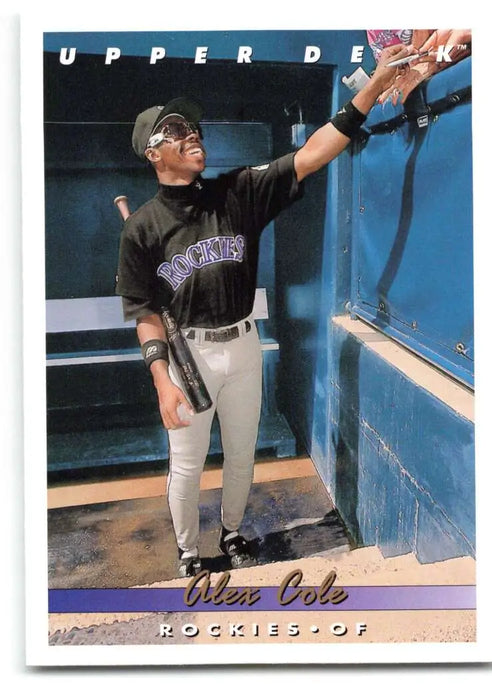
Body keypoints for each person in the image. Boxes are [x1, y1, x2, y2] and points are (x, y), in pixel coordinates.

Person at [115, 43, 412, 578]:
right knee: (186, 464)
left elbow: (313, 152)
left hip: (244, 345)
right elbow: (146, 311)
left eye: (193, 128)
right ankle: (188, 551)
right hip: (189, 360)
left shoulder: (238, 192)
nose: (192, 135)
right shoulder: (142, 228)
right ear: (154, 153)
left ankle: (231, 532)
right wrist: (161, 379)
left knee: (242, 454)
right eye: (177, 131)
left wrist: (369, 90)